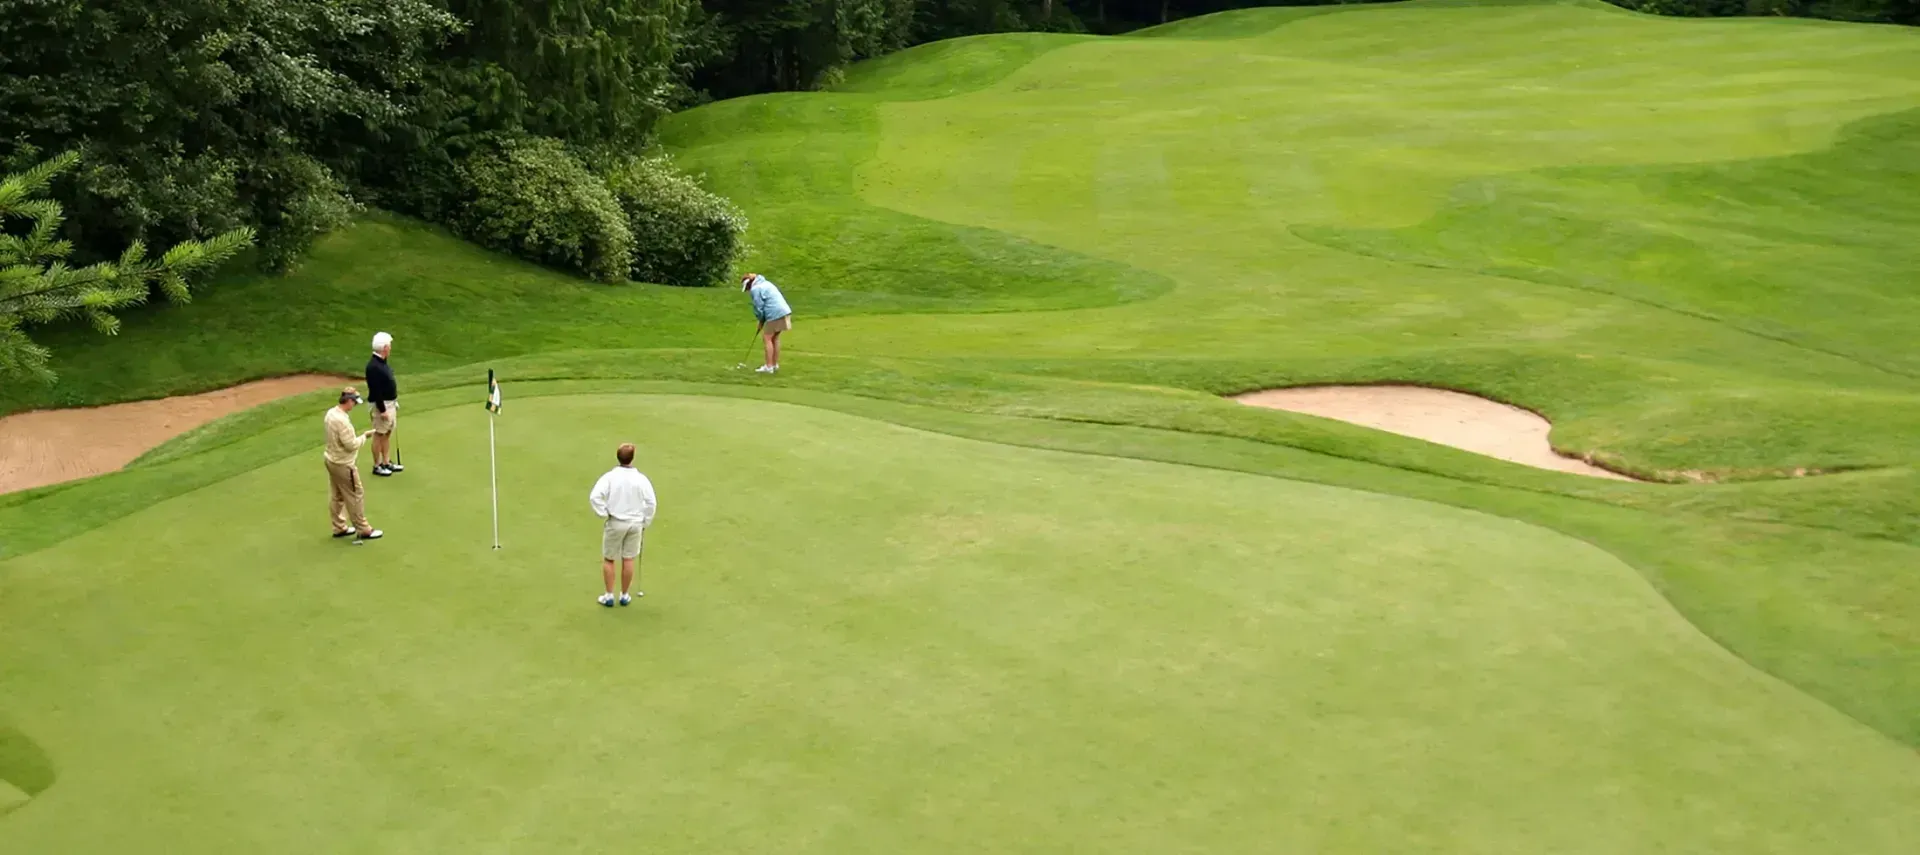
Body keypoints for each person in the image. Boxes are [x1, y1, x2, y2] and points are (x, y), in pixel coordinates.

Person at [588, 443, 657, 607]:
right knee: (628, 558)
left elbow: (595, 497)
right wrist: (646, 520)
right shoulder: (641, 479)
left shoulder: (610, 477)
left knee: (609, 558)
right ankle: (625, 595)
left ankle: (609, 595)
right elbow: (651, 503)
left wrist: (604, 513)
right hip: (635, 523)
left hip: (616, 522)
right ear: (632, 458)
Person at [324, 386, 383, 541]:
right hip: (344, 464)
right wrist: (365, 436)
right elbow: (351, 445)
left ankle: (339, 527)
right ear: (348, 401)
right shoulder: (342, 421)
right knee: (355, 495)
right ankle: (364, 529)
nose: (355, 405)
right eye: (354, 402)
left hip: (331, 460)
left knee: (337, 495)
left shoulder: (331, 413)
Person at [365, 331, 403, 476]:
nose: (391, 348)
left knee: (387, 433)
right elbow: (376, 391)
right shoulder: (373, 366)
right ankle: (377, 465)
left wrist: (394, 401)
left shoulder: (382, 362)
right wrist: (382, 410)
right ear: (385, 347)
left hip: (390, 403)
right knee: (379, 434)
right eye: (389, 345)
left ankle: (386, 462)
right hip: (382, 406)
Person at [741, 273, 793, 374]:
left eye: (747, 288)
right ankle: (774, 365)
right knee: (775, 338)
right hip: (784, 312)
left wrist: (761, 320)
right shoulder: (766, 283)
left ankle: (769, 367)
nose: (748, 290)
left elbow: (759, 307)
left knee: (767, 338)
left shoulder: (755, 289)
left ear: (749, 284)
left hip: (775, 313)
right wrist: (762, 320)